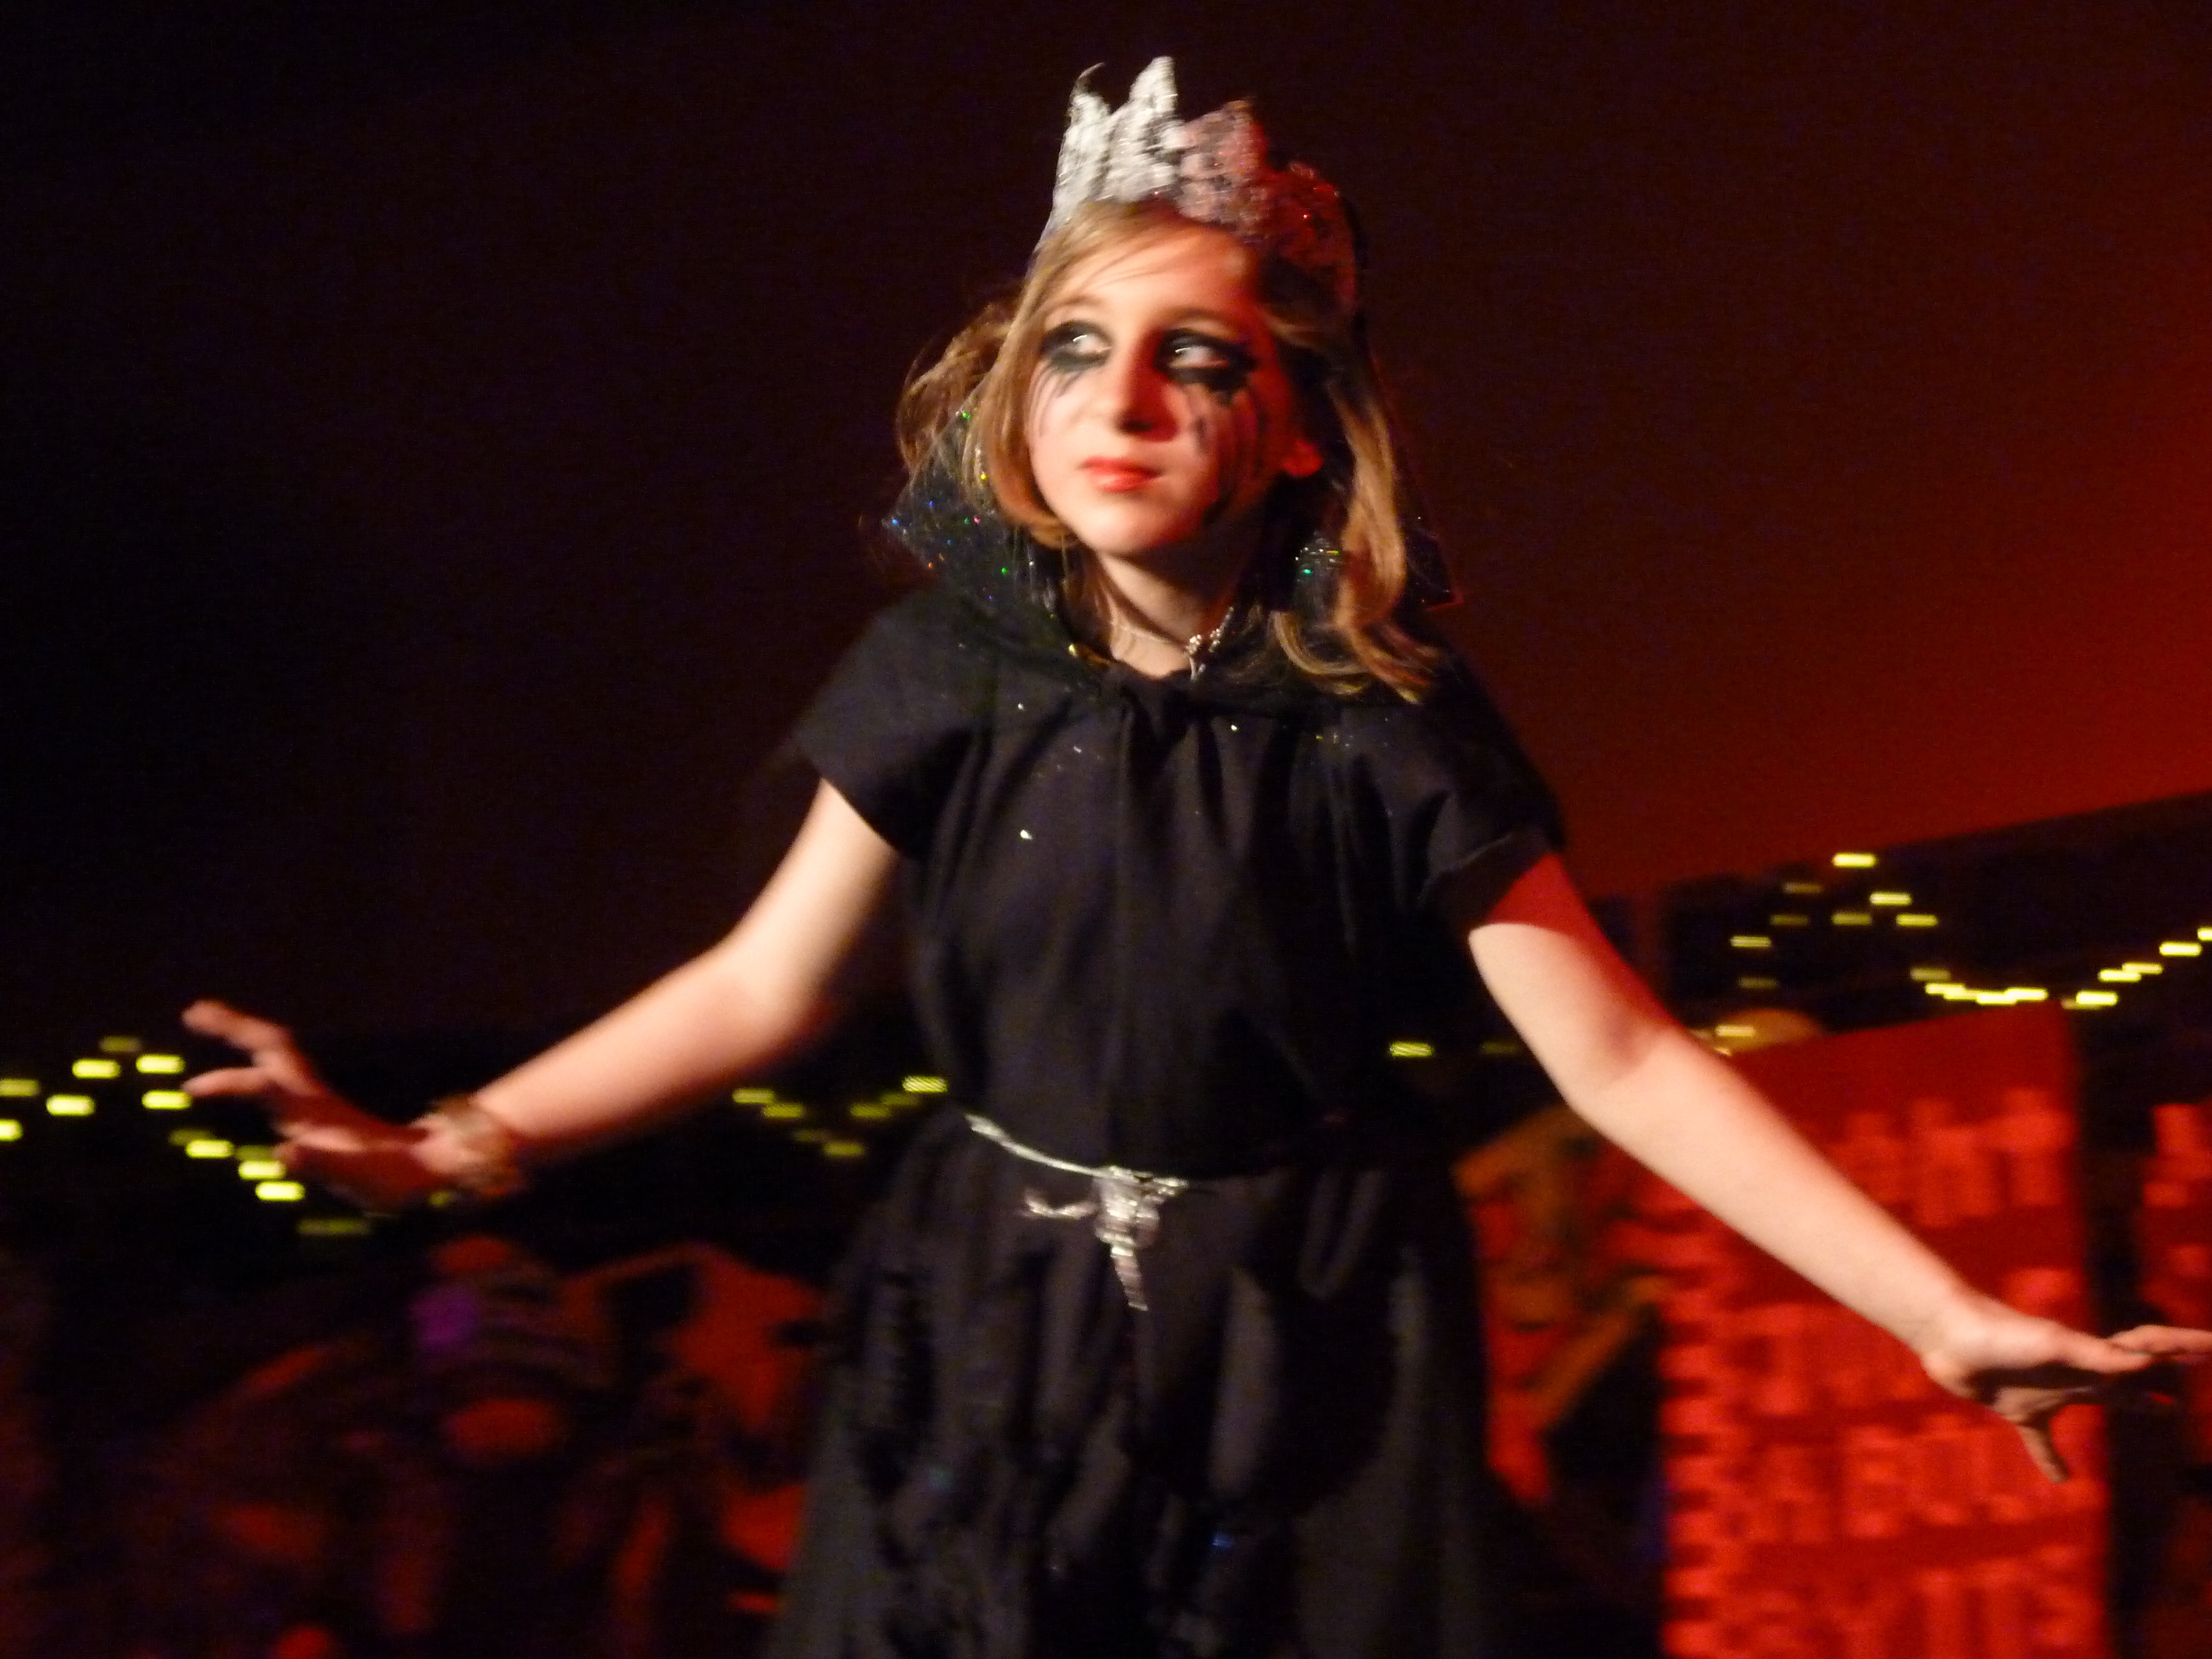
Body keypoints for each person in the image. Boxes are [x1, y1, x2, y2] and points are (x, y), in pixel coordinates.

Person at [184, 58, 2211, 1659]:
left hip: (1297, 1318)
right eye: (1077, 349)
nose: (1124, 400)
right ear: (1017, 395)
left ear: (1301, 426)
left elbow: (1621, 1060)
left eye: (1199, 357)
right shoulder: (947, 668)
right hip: (989, 1305)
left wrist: (1937, 1313)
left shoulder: (1379, 717)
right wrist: (450, 1148)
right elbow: (761, 986)